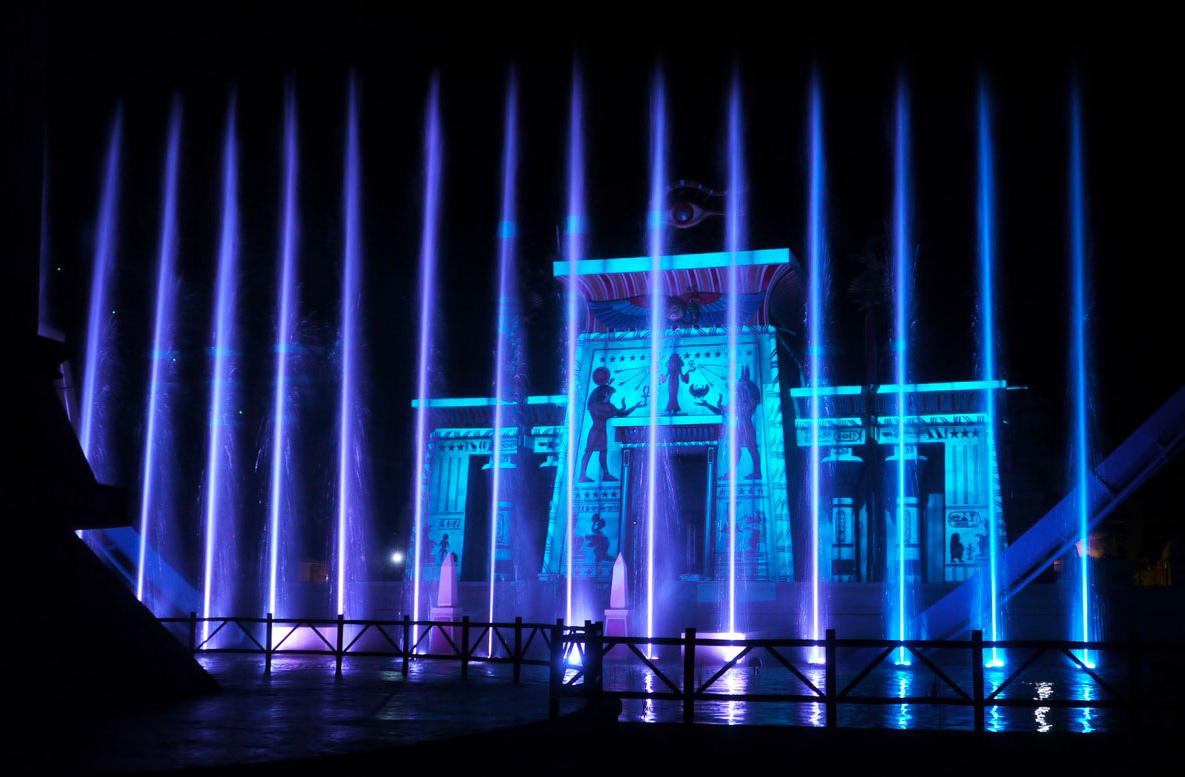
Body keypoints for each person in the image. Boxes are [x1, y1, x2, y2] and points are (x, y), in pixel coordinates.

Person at [579, 366, 642, 482]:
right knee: (589, 451)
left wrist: (635, 406)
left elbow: (621, 414)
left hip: (602, 431)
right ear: (605, 393)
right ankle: (582, 475)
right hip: (595, 431)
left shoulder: (608, 406)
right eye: (610, 394)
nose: (611, 396)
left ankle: (606, 474)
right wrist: (615, 410)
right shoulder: (595, 406)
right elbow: (606, 414)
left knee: (603, 452)